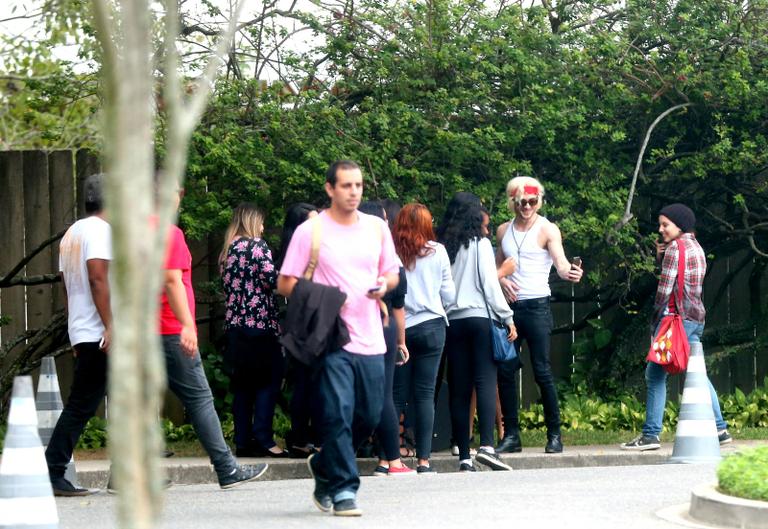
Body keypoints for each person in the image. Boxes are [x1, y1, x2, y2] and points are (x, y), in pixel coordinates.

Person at [277, 160, 400, 516]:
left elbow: (391, 273)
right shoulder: (311, 231)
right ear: (330, 189)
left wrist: (384, 286)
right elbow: (285, 283)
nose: (354, 192)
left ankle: (325, 466)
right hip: (330, 336)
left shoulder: (376, 228)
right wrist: (324, 296)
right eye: (346, 186)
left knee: (370, 414)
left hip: (372, 336)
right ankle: (345, 490)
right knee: (337, 413)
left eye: (358, 185)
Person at [160, 186, 267, 488]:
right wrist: (187, 325)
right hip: (169, 328)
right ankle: (226, 468)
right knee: (200, 399)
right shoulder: (168, 233)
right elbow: (172, 280)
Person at [621, 204, 731, 450]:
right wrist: (662, 257)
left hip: (673, 321)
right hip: (695, 318)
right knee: (697, 374)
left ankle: (650, 435)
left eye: (665, 225)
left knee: (655, 375)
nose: (660, 230)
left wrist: (655, 321)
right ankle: (719, 429)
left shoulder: (674, 249)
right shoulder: (697, 248)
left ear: (679, 225)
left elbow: (665, 290)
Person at [495, 176, 582, 454]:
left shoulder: (547, 229)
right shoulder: (502, 231)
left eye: (532, 201)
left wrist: (569, 271)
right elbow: (496, 268)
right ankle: (512, 435)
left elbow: (559, 261)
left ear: (539, 201)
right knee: (506, 370)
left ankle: (554, 435)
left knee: (542, 370)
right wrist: (501, 280)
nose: (527, 207)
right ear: (513, 202)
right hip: (509, 309)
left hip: (537, 306)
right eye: (522, 202)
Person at [438, 192, 517, 472]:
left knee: (459, 388)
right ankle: (486, 446)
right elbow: (489, 285)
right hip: (479, 318)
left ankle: (463, 455)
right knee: (485, 380)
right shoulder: (480, 244)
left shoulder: (443, 246)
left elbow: (444, 289)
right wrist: (507, 317)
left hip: (453, 321)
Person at [45, 174, 112, 496]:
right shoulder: (100, 231)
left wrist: (75, 330)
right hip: (101, 332)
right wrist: (111, 325)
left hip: (85, 328)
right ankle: (53, 471)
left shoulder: (72, 233)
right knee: (82, 405)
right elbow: (97, 278)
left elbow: (67, 285)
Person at [392, 203, 455, 473]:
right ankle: (424, 460)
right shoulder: (438, 251)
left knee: (397, 395)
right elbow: (449, 295)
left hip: (401, 328)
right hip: (432, 325)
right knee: (425, 395)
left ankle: (389, 457)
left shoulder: (393, 252)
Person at [220, 203, 286, 457]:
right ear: (251, 222)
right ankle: (264, 438)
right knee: (268, 381)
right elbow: (273, 281)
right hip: (260, 325)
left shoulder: (227, 250)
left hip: (235, 325)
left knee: (243, 385)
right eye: (260, 222)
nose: (262, 227)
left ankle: (243, 439)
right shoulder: (257, 247)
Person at [358, 200, 414, 476]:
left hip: (353, 327)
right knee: (384, 395)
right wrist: (401, 342)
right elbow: (399, 309)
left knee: (360, 393)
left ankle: (383, 459)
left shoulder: (350, 256)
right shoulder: (390, 262)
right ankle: (392, 460)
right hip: (382, 326)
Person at [277, 202, 321, 458]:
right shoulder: (301, 253)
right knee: (307, 382)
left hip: (306, 320)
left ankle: (305, 436)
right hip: (307, 321)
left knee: (309, 382)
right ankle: (304, 436)